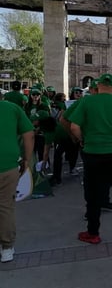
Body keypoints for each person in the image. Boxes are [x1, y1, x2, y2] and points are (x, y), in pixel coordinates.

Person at [70, 73, 112, 244]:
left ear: (98, 86)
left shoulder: (86, 101)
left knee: (93, 193)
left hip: (93, 152)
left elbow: (74, 126)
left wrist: (82, 140)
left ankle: (93, 233)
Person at [0, 101, 34, 263]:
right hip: (7, 164)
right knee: (5, 206)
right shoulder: (12, 108)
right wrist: (27, 159)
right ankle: (7, 248)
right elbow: (29, 134)